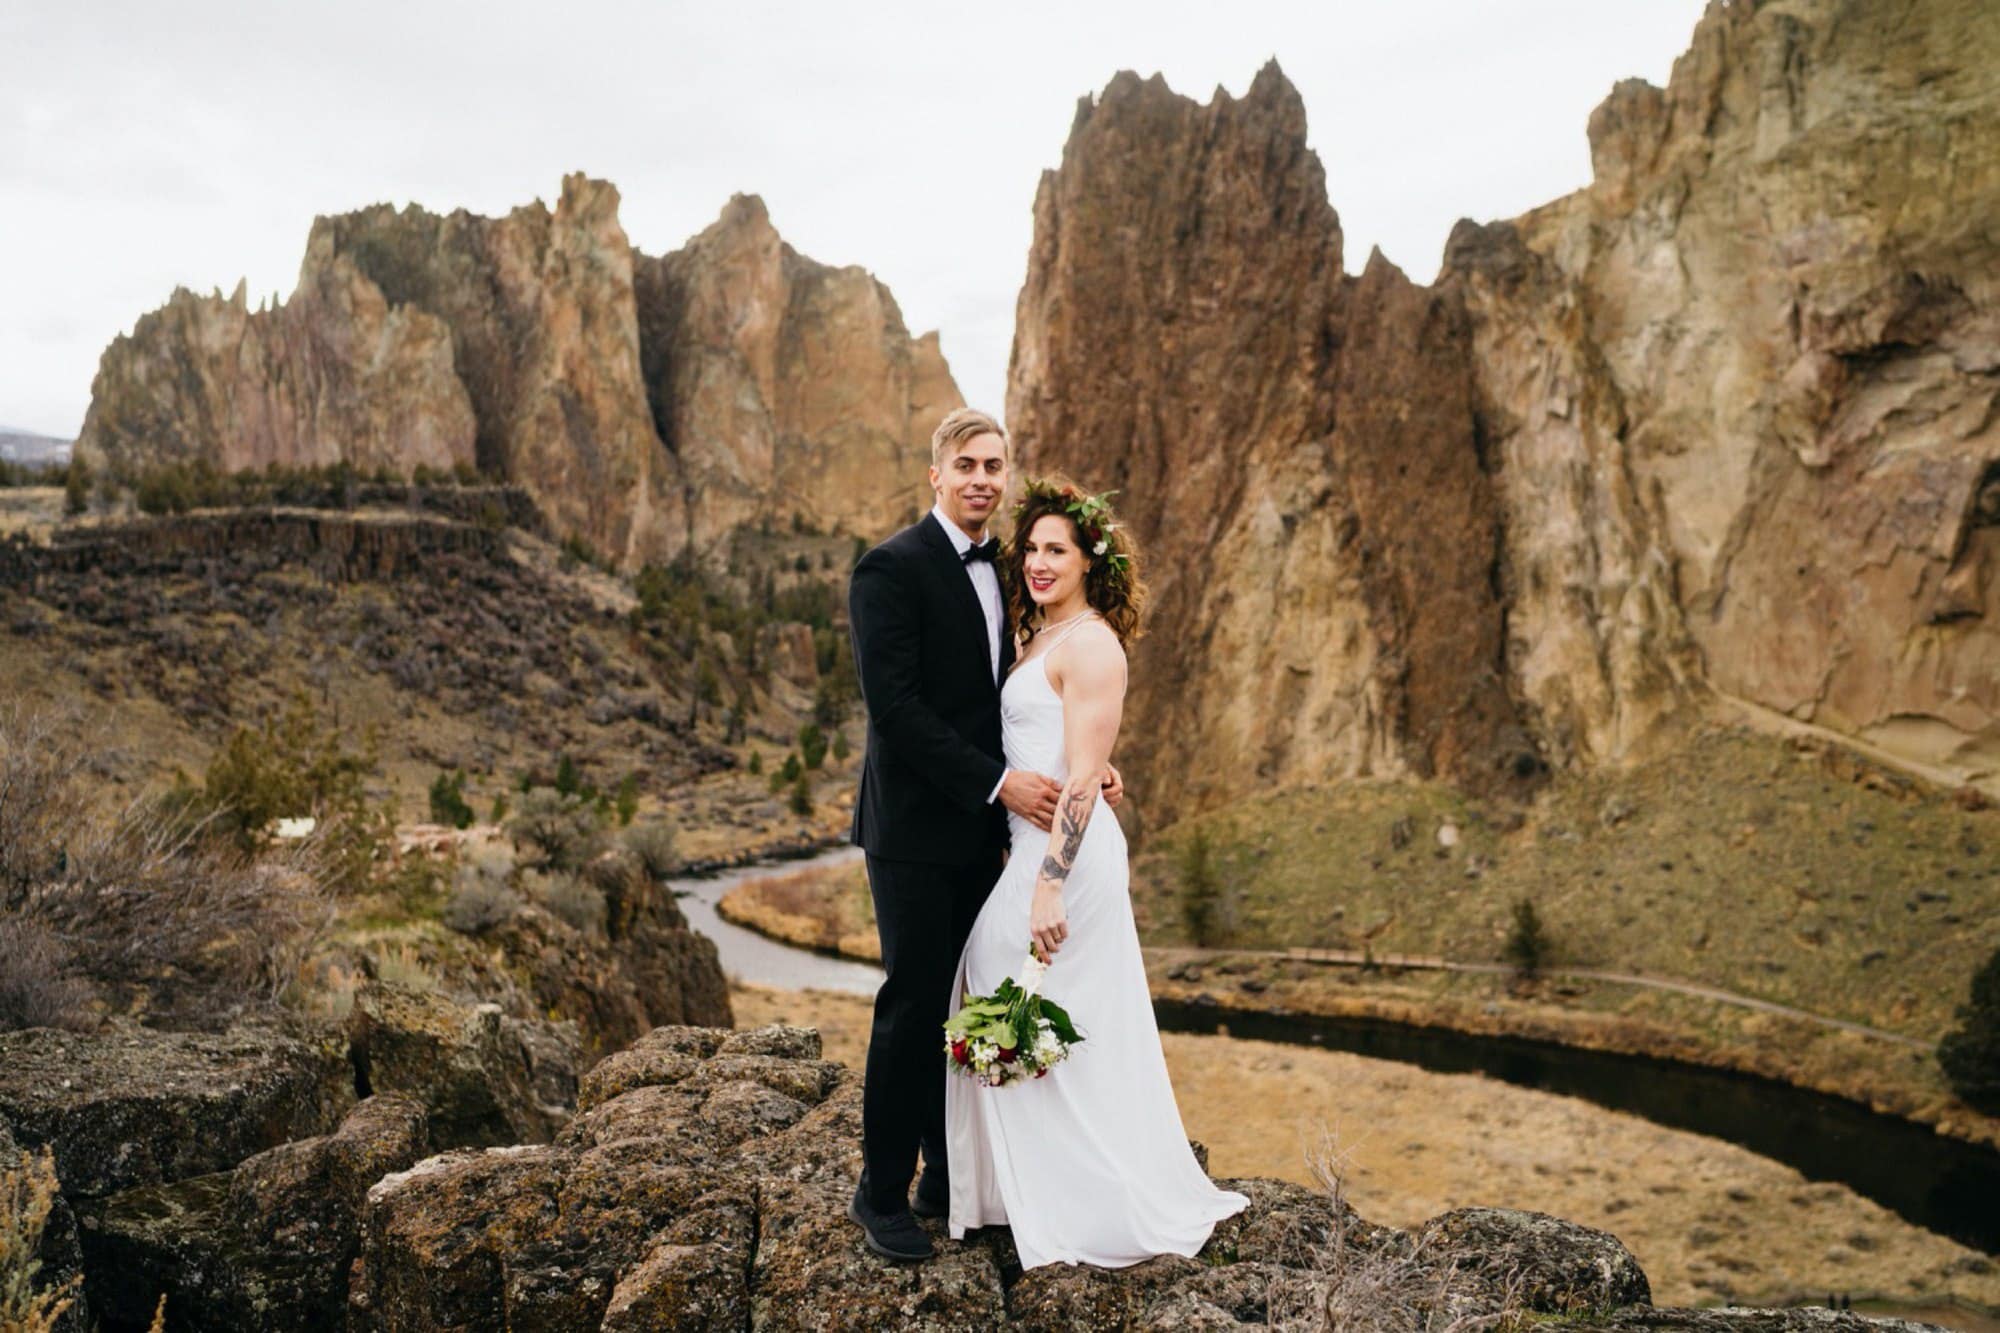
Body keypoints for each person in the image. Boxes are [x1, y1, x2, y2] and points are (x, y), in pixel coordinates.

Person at [946, 477, 1247, 1270]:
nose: (1040, 563)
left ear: (1088, 562)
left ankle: (1081, 1200)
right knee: (1018, 1003)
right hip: (1028, 844)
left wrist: (1048, 881)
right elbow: (1054, 750)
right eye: (1033, 549)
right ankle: (1027, 1192)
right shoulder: (1032, 639)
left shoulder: (1093, 643)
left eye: (1058, 550)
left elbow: (1080, 778)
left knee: (1039, 1007)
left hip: (1067, 861)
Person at [844, 409, 1122, 1261]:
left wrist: (1088, 765)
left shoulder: (1009, 571)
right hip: (916, 831)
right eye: (965, 464)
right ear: (936, 473)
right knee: (913, 1002)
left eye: (994, 465)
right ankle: (881, 1192)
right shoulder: (889, 569)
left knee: (966, 1002)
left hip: (988, 837)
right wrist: (1002, 782)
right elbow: (896, 710)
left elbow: (1024, 695)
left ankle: (949, 1176)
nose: (981, 478)